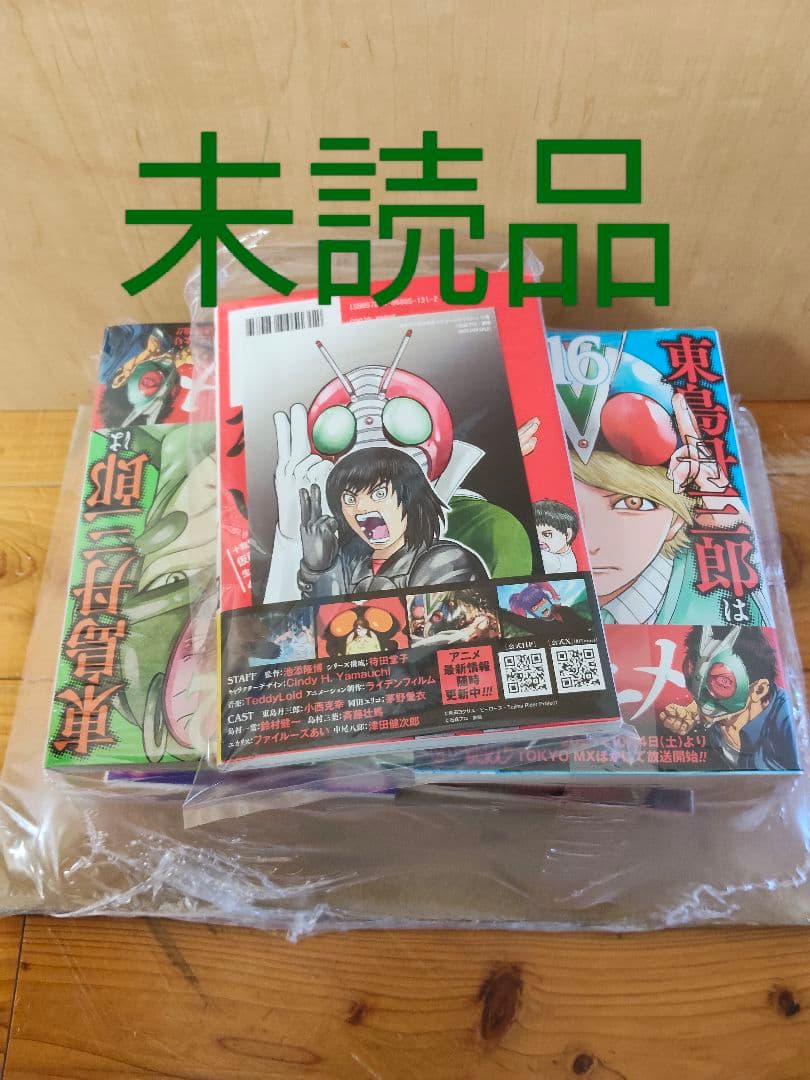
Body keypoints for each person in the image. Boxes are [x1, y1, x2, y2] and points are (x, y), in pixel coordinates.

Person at [297, 447, 488, 597]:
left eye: (379, 494)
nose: (361, 507)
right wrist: (317, 570)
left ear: (410, 498)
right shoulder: (349, 565)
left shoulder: (446, 561)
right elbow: (318, 628)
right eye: (349, 499)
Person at [659, 626, 799, 772]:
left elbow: (789, 772)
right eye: (695, 675)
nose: (699, 694)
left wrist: (737, 750)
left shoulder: (785, 717)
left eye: (723, 682)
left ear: (758, 690)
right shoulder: (717, 716)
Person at [533, 499, 578, 573]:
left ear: (567, 535)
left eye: (547, 534)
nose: (539, 540)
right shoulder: (565, 554)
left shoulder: (551, 559)